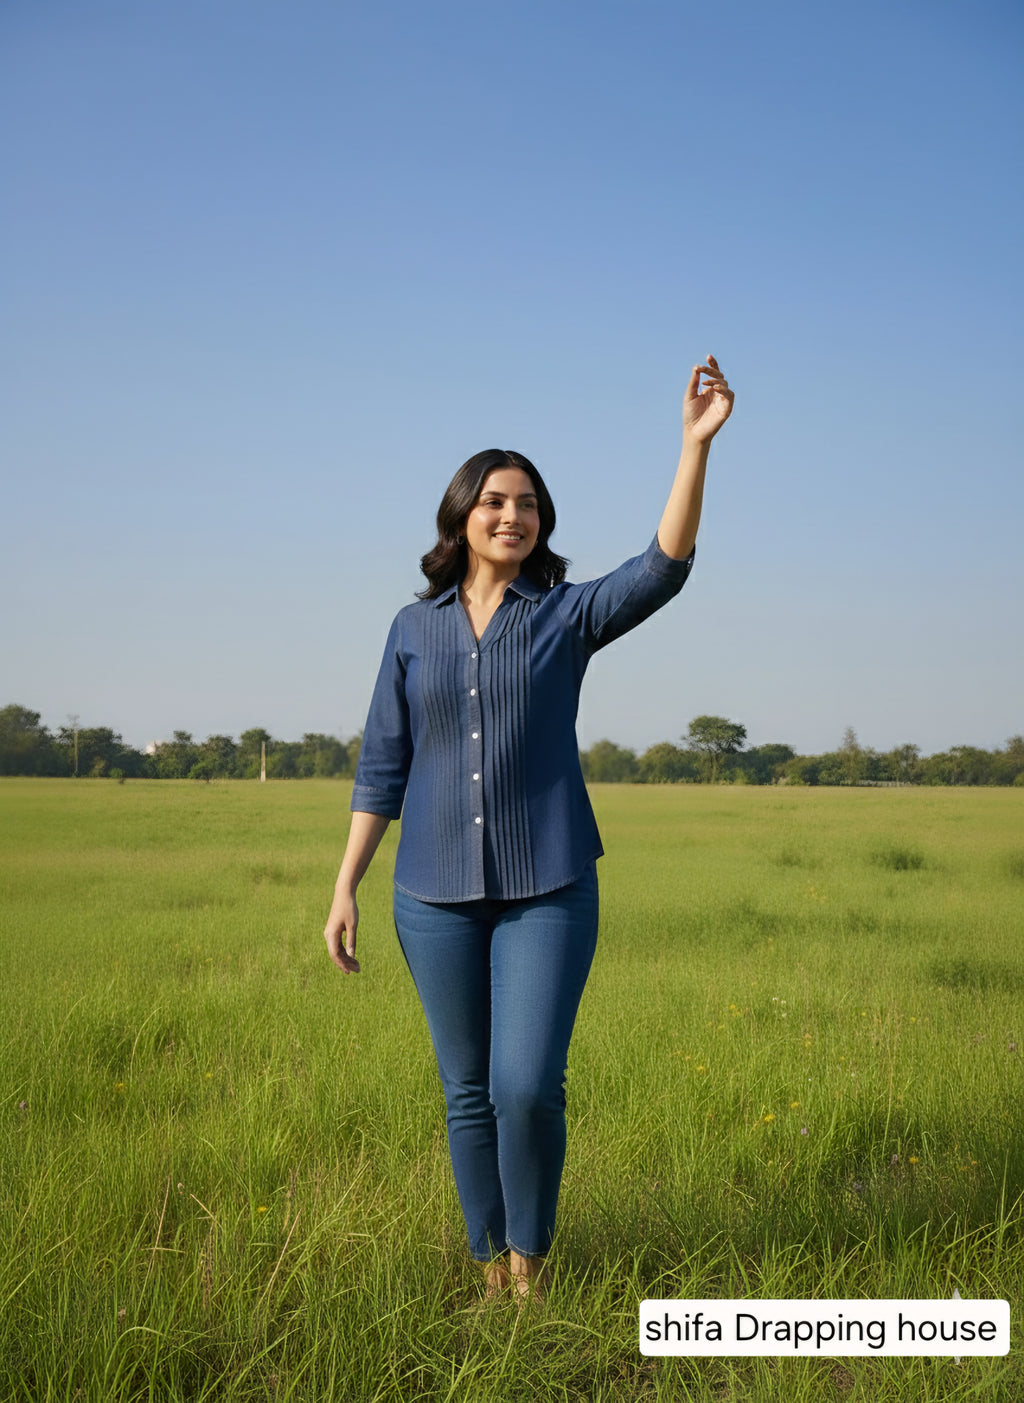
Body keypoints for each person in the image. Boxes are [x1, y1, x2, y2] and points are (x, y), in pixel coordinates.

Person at [324, 355, 735, 1303]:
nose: (514, 516)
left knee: (525, 1085)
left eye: (529, 505)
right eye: (496, 502)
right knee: (465, 1090)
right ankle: (485, 1264)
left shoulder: (564, 617)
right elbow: (382, 763)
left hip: (547, 886)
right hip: (429, 893)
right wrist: (346, 882)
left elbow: (662, 568)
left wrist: (692, 448)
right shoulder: (410, 628)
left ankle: (529, 1263)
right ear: (462, 514)